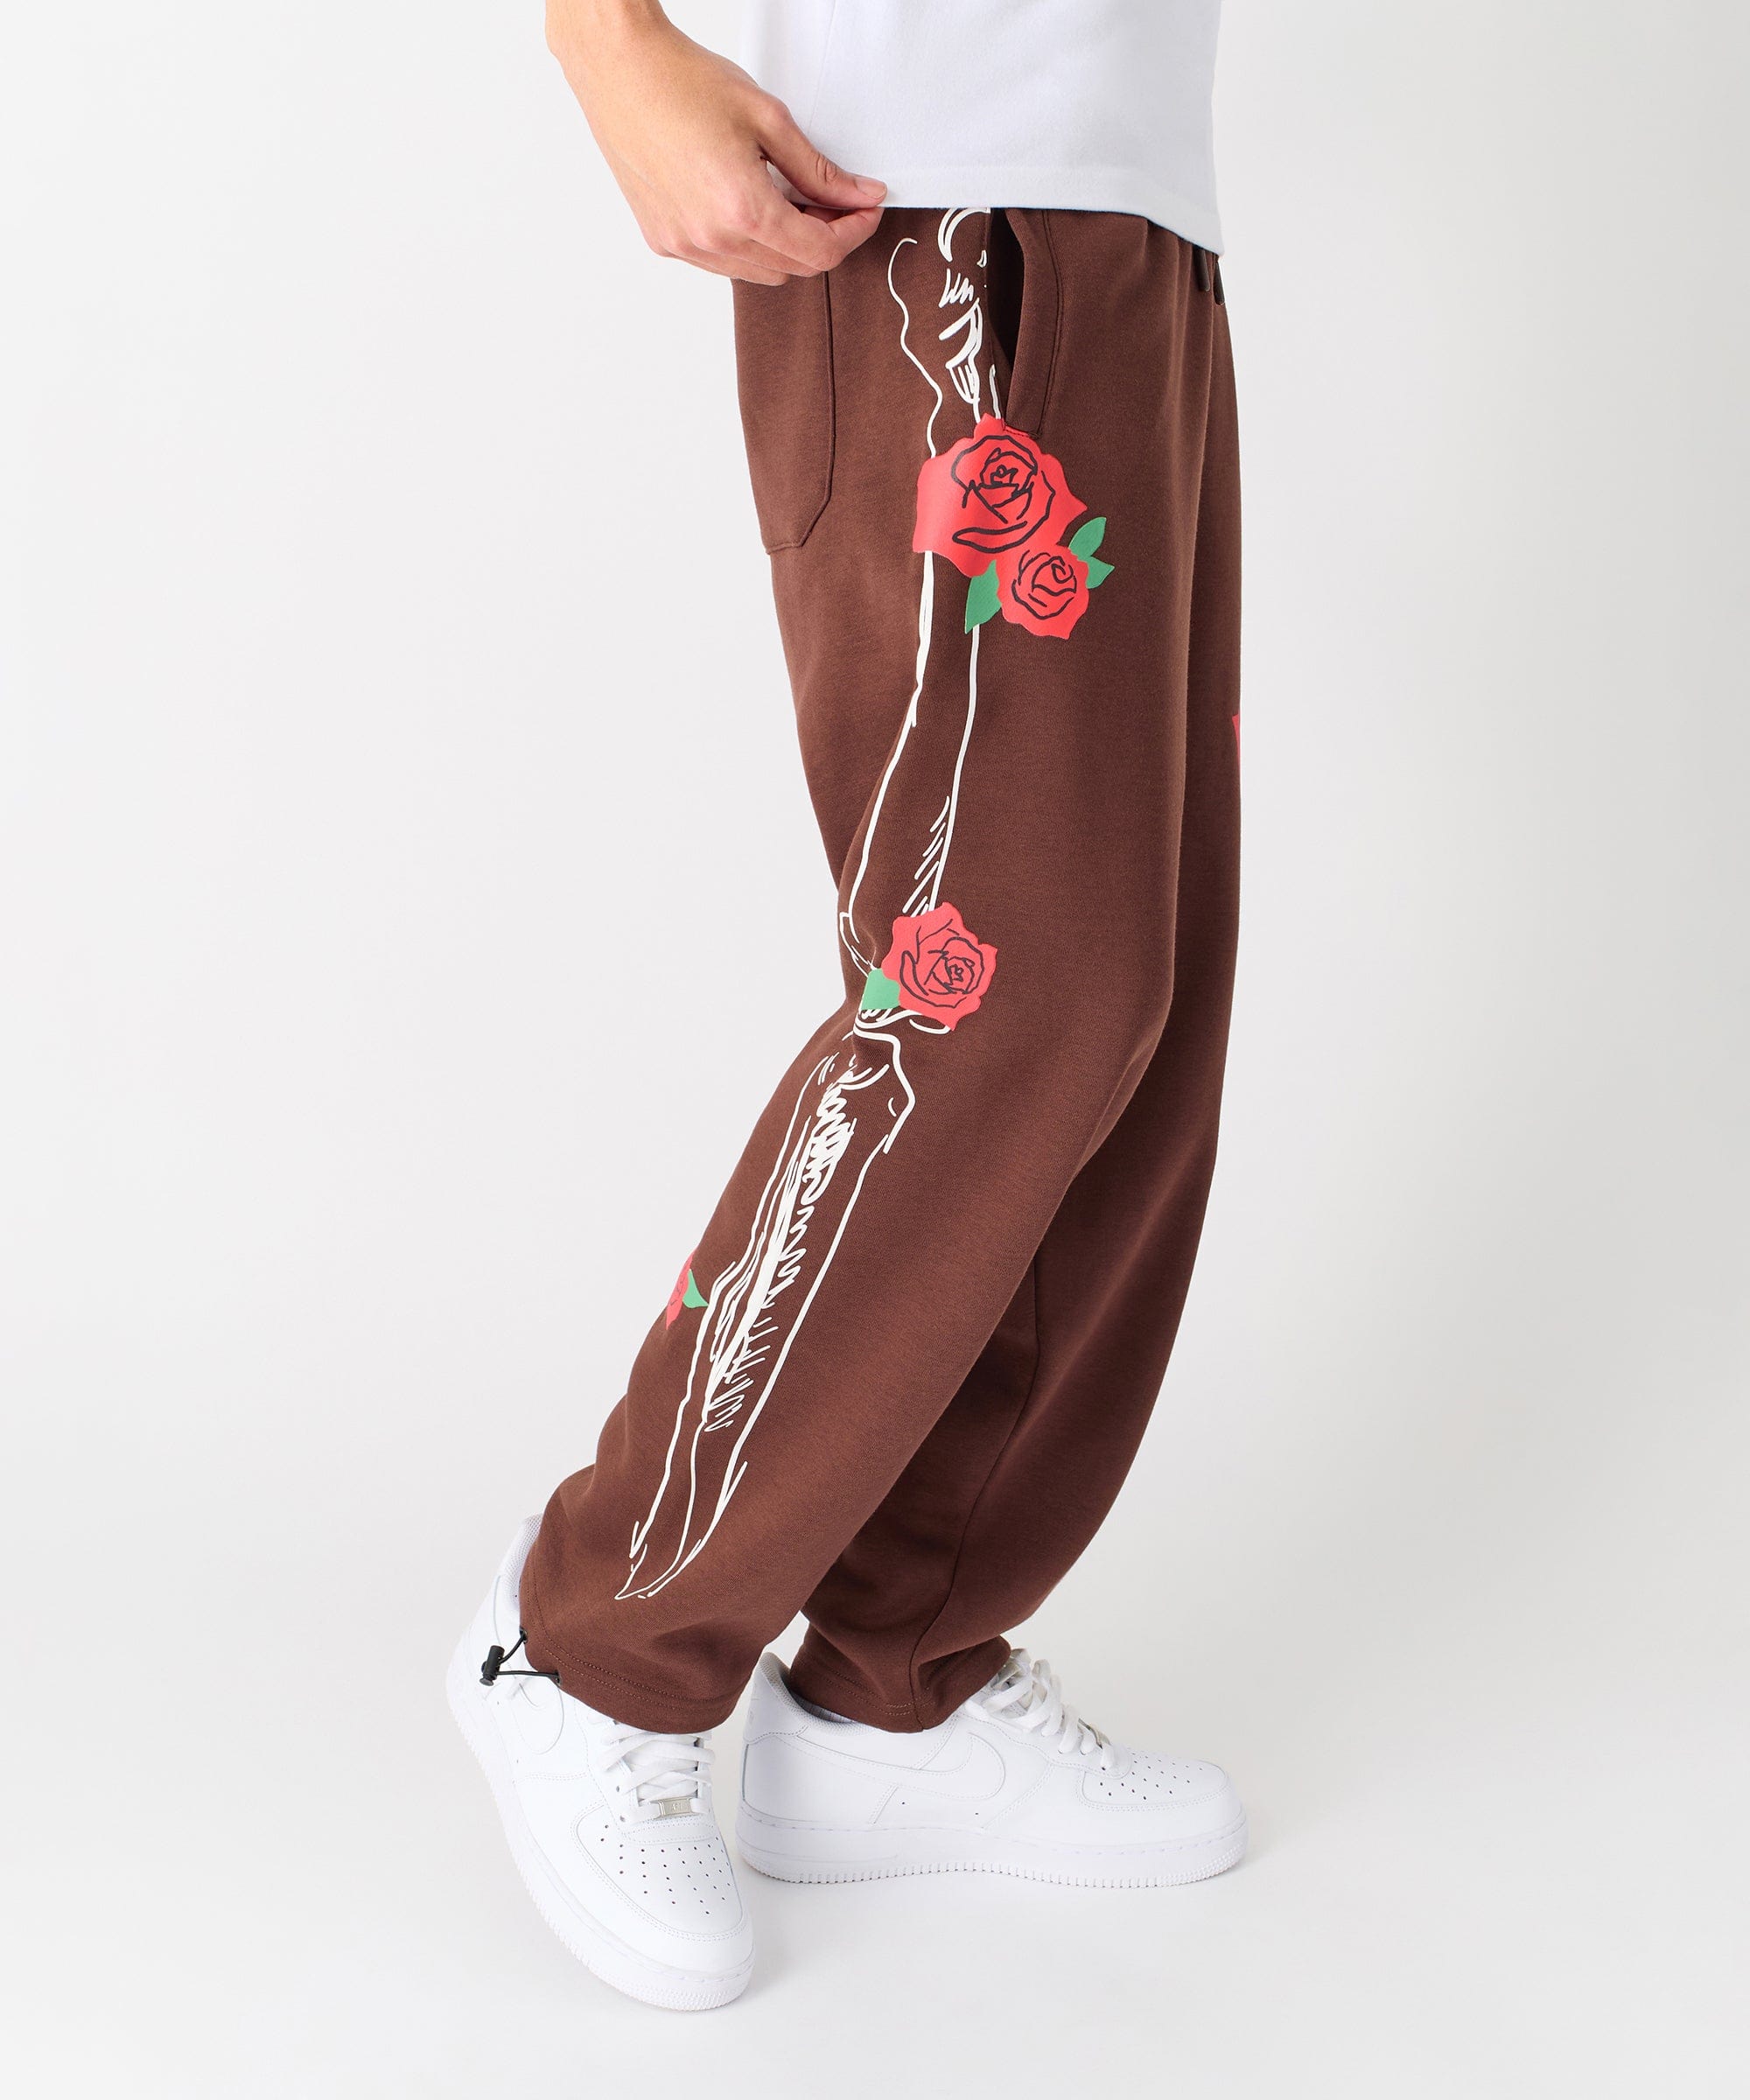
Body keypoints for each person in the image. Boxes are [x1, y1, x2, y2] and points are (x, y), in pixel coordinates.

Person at [448, 0, 1244, 2009]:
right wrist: (606, 42)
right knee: (996, 987)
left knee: (1123, 1008)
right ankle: (593, 1649)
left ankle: (899, 1677)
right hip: (933, 202)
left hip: (1126, 209)